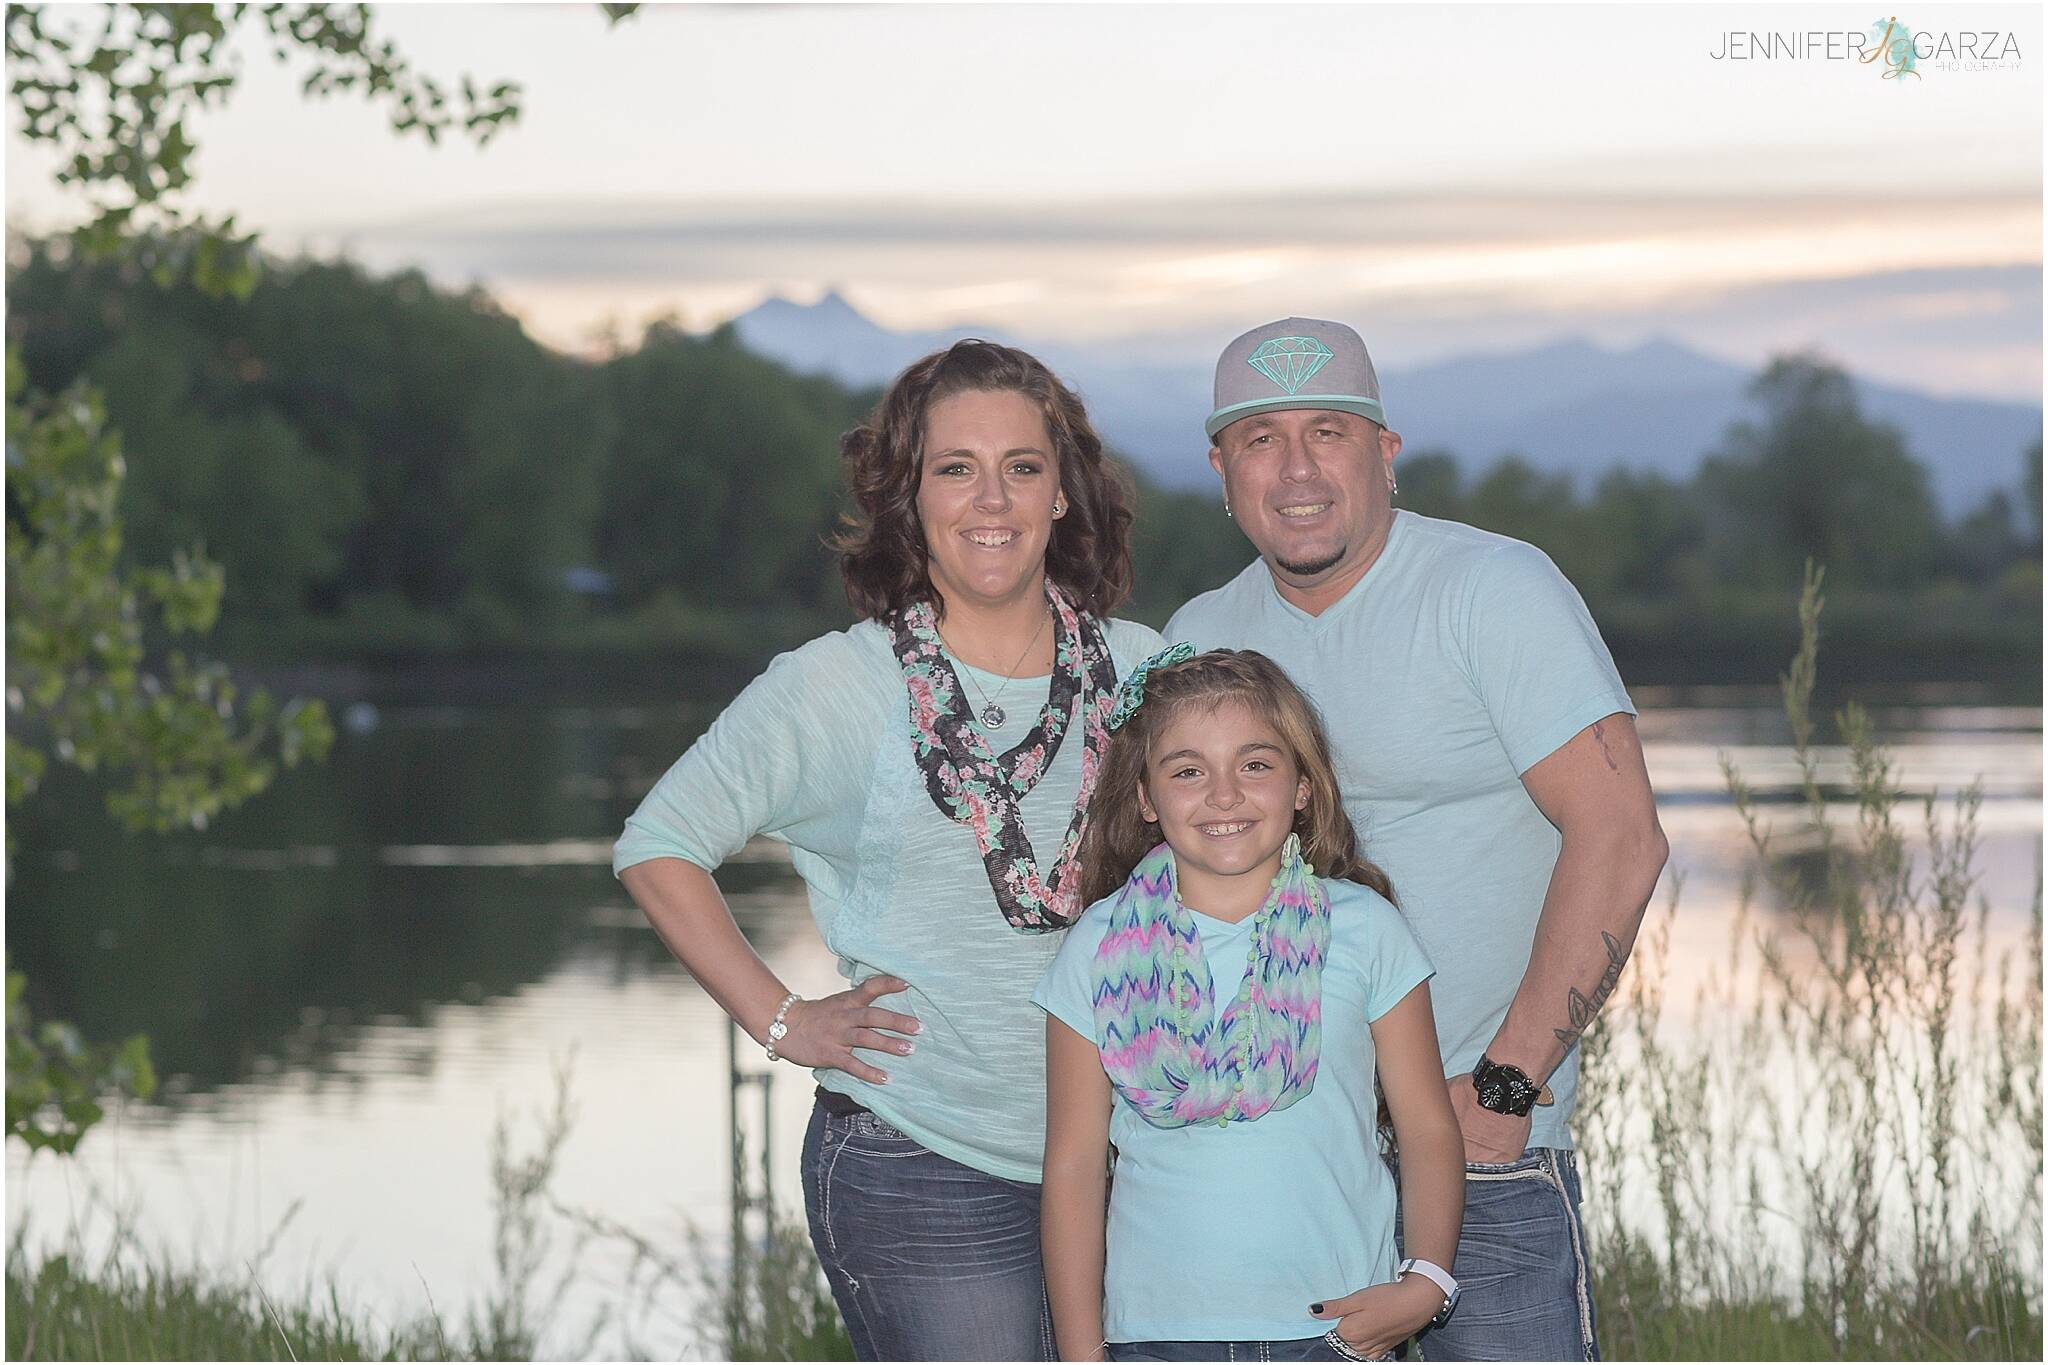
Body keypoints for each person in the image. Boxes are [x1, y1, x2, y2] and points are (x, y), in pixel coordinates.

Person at [613, 340, 1166, 1362]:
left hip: (1129, 1157)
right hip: (923, 1163)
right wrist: (781, 1019)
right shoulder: (839, 687)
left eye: (1022, 467)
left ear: (1062, 497)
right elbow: (659, 845)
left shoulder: (1140, 672)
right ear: (907, 501)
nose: (989, 499)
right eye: (954, 468)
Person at [1165, 319, 1669, 1361]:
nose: (1296, 468)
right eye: (1258, 438)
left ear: (1383, 452)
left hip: (1482, 1155)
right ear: (1220, 471)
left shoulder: (1491, 592)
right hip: (1276, 1172)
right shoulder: (1195, 641)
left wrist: (1503, 1089)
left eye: (1329, 432)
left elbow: (1620, 837)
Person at [1035, 647, 1466, 1363]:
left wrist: (1425, 1282)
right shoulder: (1097, 947)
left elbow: (1426, 1127)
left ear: (1302, 784)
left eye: (1256, 764)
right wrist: (1082, 1355)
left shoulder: (1365, 929)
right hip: (1156, 1337)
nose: (1225, 794)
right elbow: (1075, 1165)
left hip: (1337, 1330)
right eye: (1187, 771)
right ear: (1146, 797)